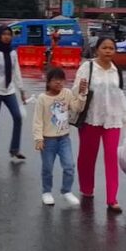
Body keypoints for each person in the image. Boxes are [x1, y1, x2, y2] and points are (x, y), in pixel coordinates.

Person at [74, 37, 126, 214]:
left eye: (111, 48)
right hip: (91, 118)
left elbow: (119, 94)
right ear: (97, 50)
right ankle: (87, 189)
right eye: (104, 48)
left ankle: (112, 199)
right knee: (87, 157)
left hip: (113, 120)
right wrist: (81, 89)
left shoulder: (116, 70)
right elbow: (76, 90)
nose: (108, 51)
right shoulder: (88, 67)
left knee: (111, 159)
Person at [33, 67, 87, 207]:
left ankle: (66, 191)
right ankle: (47, 192)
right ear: (48, 82)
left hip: (64, 138)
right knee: (47, 168)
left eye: (61, 80)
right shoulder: (42, 99)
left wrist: (81, 94)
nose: (59, 83)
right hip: (48, 139)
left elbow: (77, 108)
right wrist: (38, 138)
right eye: (55, 80)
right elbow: (37, 120)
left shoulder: (67, 93)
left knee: (69, 165)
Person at [0, 24, 27, 162]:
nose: (7, 37)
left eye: (9, 34)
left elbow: (16, 72)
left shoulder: (13, 52)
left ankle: (15, 149)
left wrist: (22, 91)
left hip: (9, 89)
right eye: (4, 34)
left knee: (18, 117)